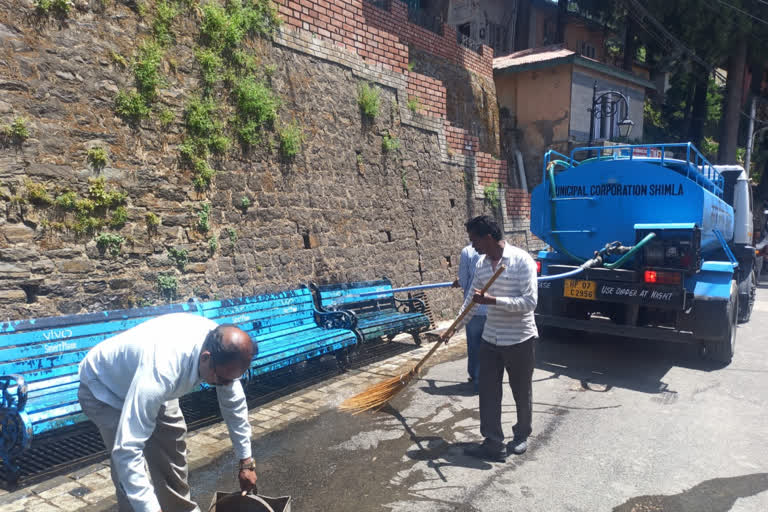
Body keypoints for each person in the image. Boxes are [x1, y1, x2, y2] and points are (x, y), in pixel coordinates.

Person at [78, 313, 259, 512]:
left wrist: (246, 462)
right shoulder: (162, 372)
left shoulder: (223, 349)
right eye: (223, 380)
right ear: (206, 358)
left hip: (151, 382)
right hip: (105, 390)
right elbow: (128, 450)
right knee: (127, 472)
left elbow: (234, 405)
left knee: (172, 453)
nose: (226, 385)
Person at [442, 216, 538, 462]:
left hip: (519, 339)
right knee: (488, 391)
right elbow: (471, 302)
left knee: (520, 390)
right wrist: (454, 327)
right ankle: (493, 443)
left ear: (487, 238)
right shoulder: (482, 265)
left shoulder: (521, 261)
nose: (472, 246)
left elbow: (529, 303)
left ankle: (521, 435)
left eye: (475, 240)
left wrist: (493, 301)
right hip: (491, 338)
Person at [452, 243, 487, 388]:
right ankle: (487, 380)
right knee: (489, 346)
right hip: (491, 309)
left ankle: (476, 377)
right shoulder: (497, 255)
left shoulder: (467, 251)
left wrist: (458, 282)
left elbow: (464, 280)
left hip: (474, 308)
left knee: (474, 345)